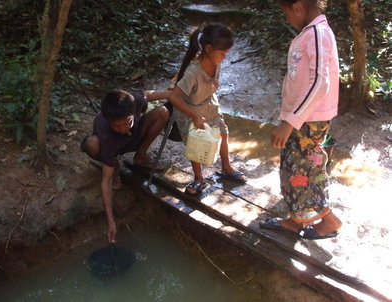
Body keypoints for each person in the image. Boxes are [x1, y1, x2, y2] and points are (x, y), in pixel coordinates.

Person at [259, 0, 342, 240]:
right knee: (296, 169)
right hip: (302, 118)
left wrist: (290, 122)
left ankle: (329, 221)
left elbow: (319, 82)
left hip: (307, 121)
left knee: (303, 172)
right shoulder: (312, 32)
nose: (287, 19)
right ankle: (296, 221)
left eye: (286, 13)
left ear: (296, 7)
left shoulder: (317, 33)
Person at [169, 23, 247, 196]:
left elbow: (209, 86)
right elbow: (173, 97)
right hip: (188, 110)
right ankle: (198, 178)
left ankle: (226, 168)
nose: (224, 57)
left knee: (223, 133)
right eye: (222, 53)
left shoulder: (215, 62)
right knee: (196, 142)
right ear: (209, 48)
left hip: (208, 104)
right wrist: (194, 116)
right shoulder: (192, 71)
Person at [81, 89, 169, 243]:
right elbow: (105, 183)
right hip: (113, 147)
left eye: (127, 122)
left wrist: (174, 94)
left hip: (134, 138)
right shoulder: (106, 135)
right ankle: (112, 164)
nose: (123, 128)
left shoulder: (135, 100)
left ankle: (140, 155)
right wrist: (111, 221)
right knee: (91, 144)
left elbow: (151, 94)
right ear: (109, 122)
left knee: (162, 112)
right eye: (118, 126)